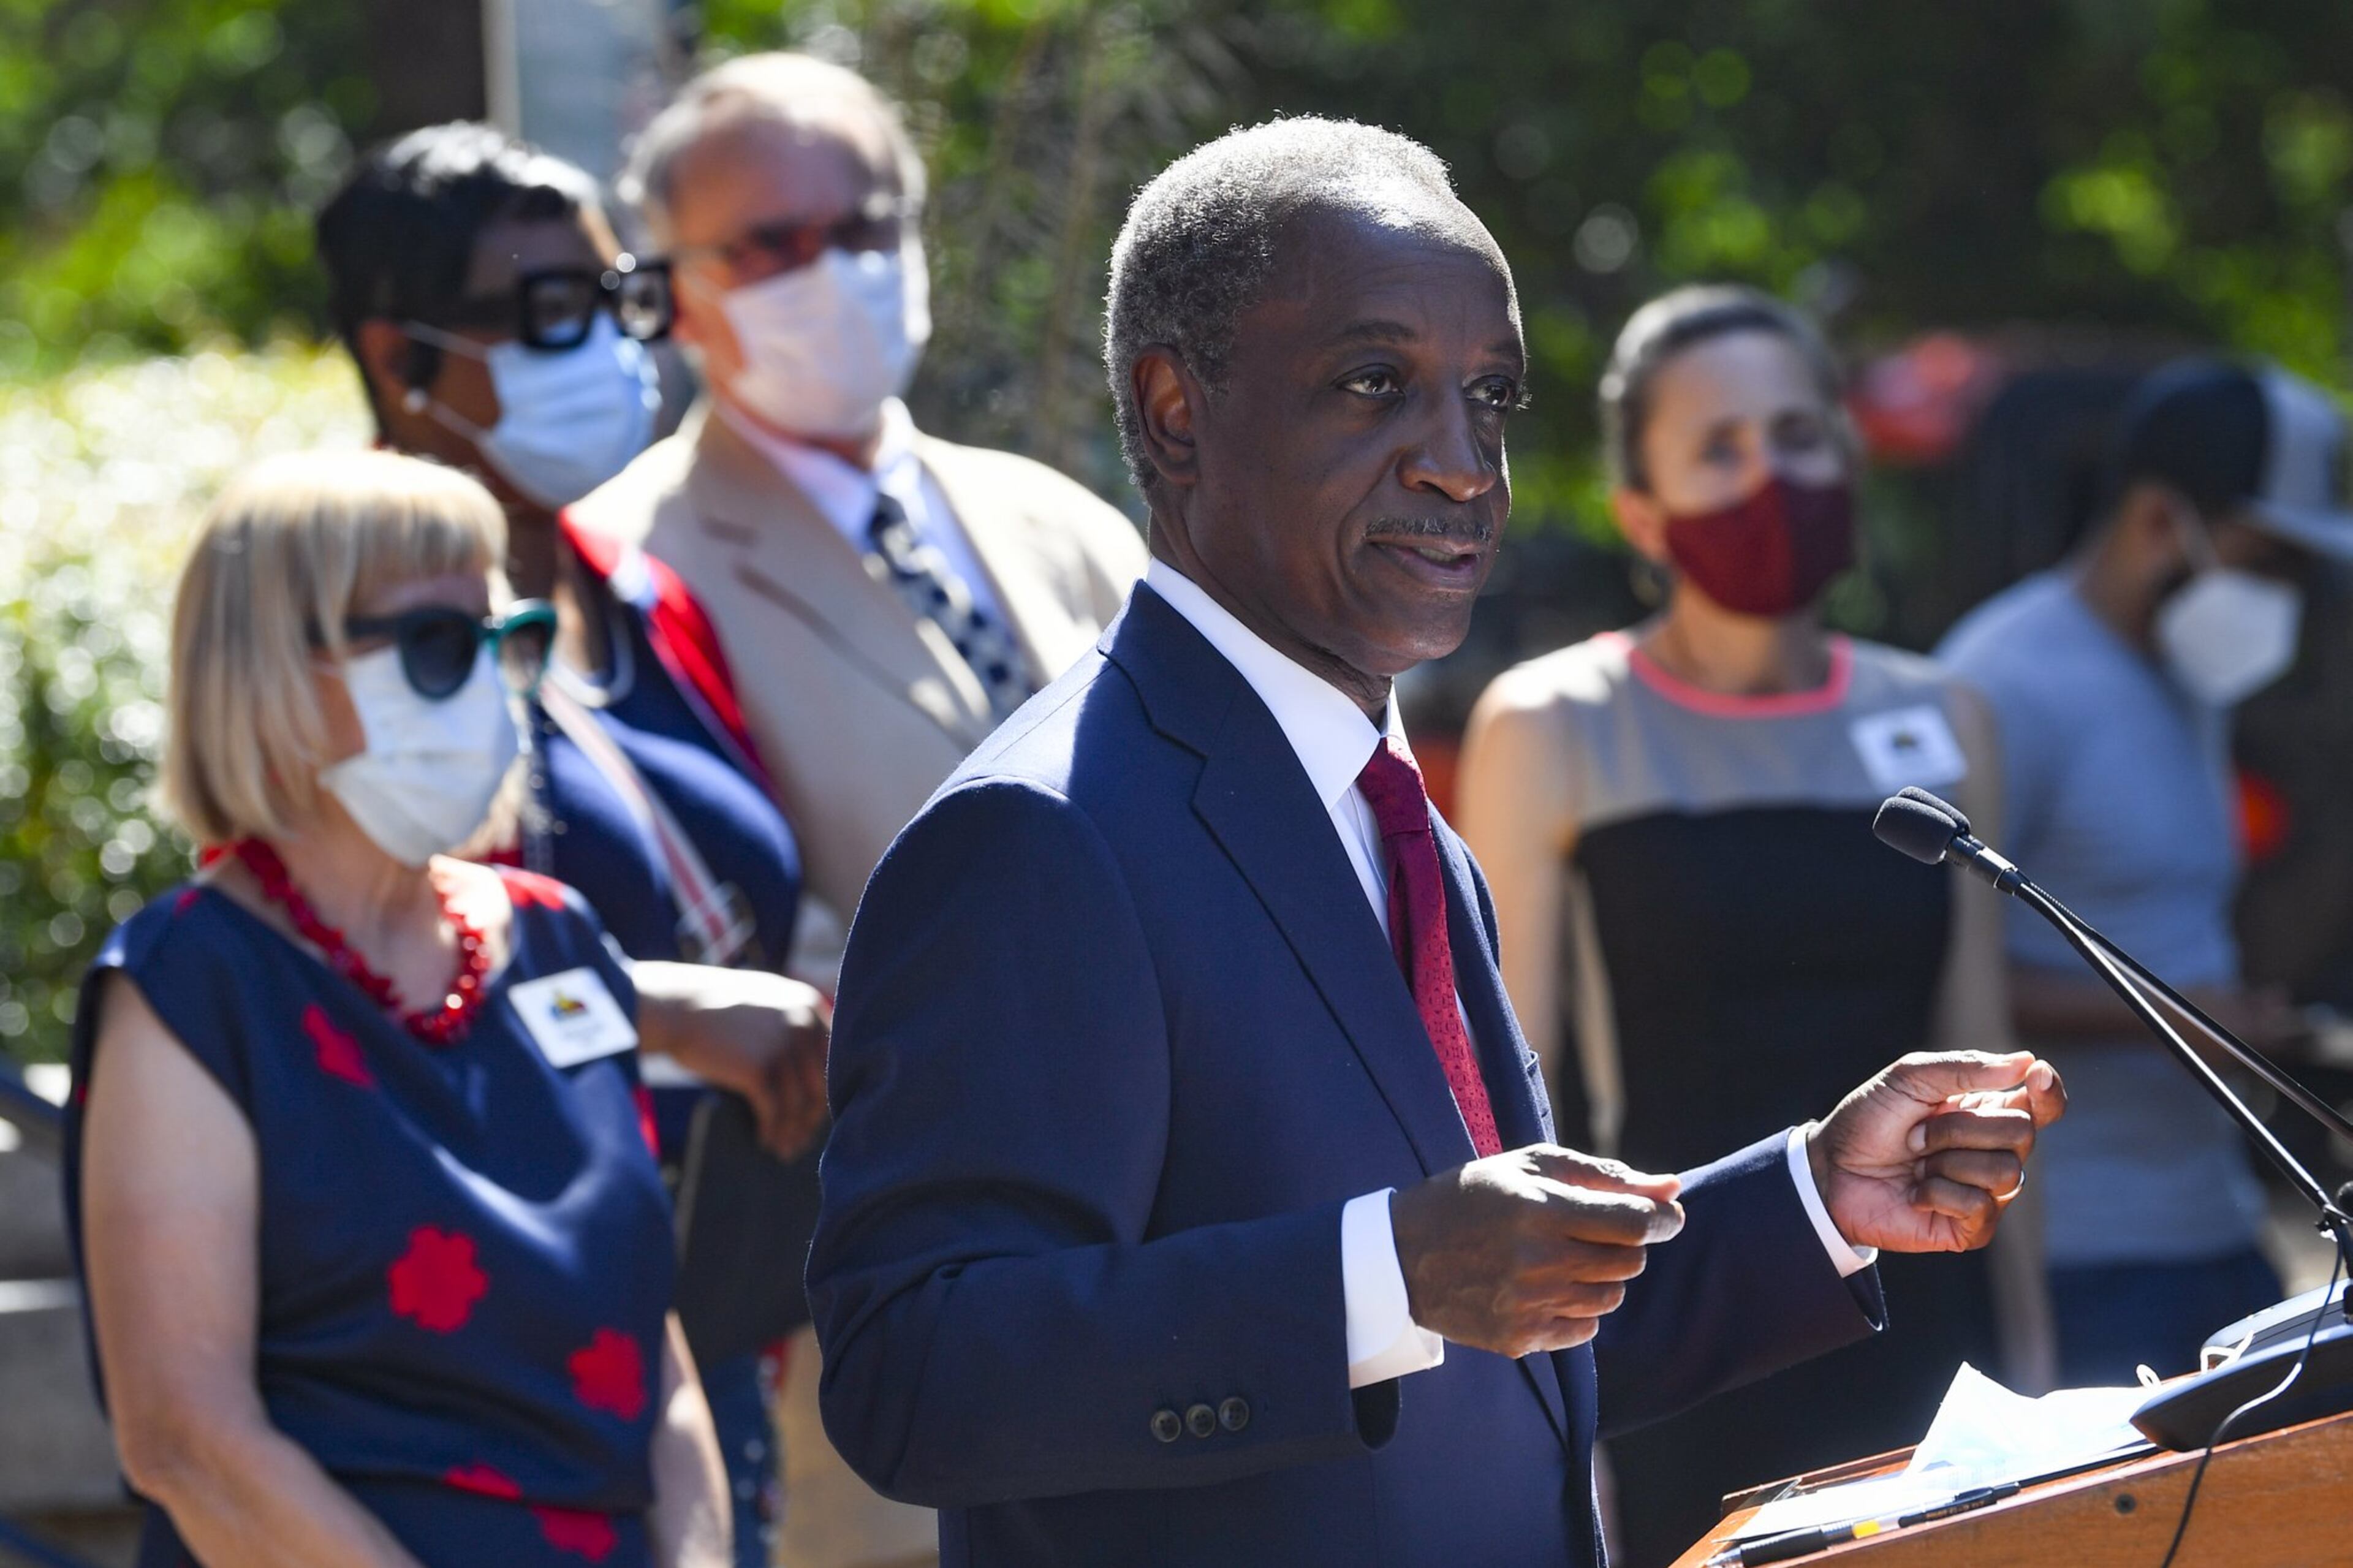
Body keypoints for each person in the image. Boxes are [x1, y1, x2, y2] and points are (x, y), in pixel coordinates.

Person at [805, 118, 2064, 1567]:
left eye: (1492, 397)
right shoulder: (1040, 837)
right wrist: (1383, 1271)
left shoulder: (1390, 814)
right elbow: (916, 1370)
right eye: (1375, 383)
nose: (1466, 468)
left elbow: (1499, 1323)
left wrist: (1813, 1198)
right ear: (1174, 411)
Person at [571, 53, 1147, 1567]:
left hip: (1175, 1299)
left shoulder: (1058, 516)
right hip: (889, 1326)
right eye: (773, 242)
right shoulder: (626, 570)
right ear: (677, 289)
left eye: (868, 222)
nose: (834, 268)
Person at [66, 452, 833, 1566]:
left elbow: (647, 1355)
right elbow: (188, 1441)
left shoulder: (554, 937)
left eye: (506, 636)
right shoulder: (192, 986)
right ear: (271, 669)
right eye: (435, 644)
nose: (490, 682)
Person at [1453, 284, 2020, 1565]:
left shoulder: (1946, 716)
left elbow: (1988, 1065)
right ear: (1640, 511)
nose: (1771, 476)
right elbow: (1506, 1102)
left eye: (1800, 435)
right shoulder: (1553, 723)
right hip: (1680, 1343)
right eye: (1719, 447)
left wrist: (2028, 1350)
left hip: (1935, 1341)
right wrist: (1540, 1421)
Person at [317, 124, 822, 1561]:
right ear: (400, 360)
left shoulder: (641, 596)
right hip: (492, 1361)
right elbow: (315, 958)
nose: (600, 344)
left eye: (613, 297)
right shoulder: (339, 624)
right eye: (543, 310)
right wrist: (660, 1010)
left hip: (705, 1322)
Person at [1938, 358, 2353, 1385]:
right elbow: (1940, 971)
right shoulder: (2002, 680)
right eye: (2267, 559)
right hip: (2082, 1257)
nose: (2285, 594)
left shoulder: (2189, 677)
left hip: (2216, 1227)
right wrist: (2182, 1019)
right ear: (2163, 518)